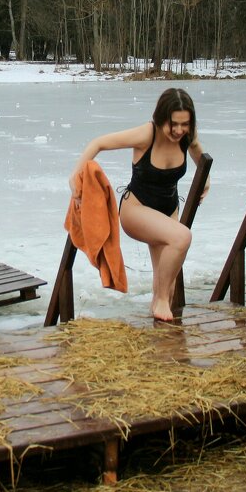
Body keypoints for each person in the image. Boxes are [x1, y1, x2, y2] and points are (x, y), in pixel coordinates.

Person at [69, 88, 207, 322]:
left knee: (168, 287)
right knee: (182, 238)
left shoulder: (187, 137)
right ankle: (160, 301)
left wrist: (206, 181)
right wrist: (75, 175)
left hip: (168, 211)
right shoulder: (147, 134)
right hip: (137, 210)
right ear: (161, 118)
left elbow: (199, 156)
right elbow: (99, 143)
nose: (178, 130)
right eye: (173, 124)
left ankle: (160, 337)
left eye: (184, 124)